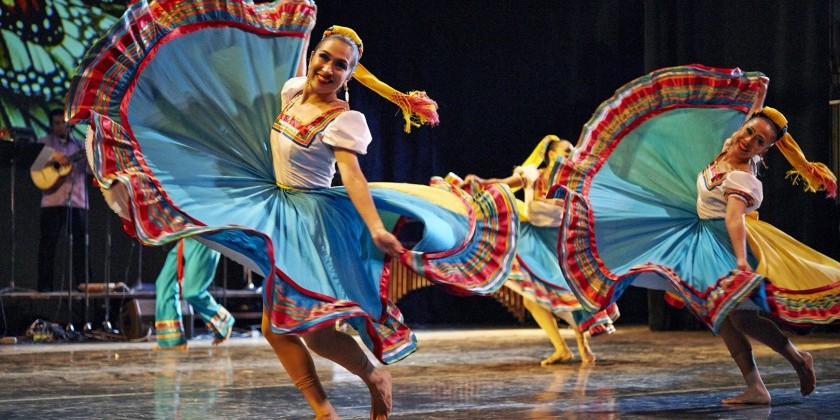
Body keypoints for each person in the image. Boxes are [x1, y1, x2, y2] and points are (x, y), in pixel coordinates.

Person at [66, 2, 518, 418]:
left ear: (349, 76)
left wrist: (376, 227)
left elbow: (353, 178)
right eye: (324, 57)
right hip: (274, 206)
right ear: (314, 56)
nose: (328, 68)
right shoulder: (293, 90)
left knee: (301, 328)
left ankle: (368, 379)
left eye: (340, 65)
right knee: (278, 326)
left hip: (310, 225)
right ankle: (328, 407)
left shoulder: (346, 120)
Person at [550, 64, 838, 405]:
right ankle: (756, 386)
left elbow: (734, 220)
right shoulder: (725, 151)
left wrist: (742, 262)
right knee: (722, 319)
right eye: (749, 132)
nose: (749, 141)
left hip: (727, 246)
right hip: (703, 239)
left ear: (764, 150)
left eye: (759, 141)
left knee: (742, 318)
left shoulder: (743, 177)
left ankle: (796, 358)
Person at [461, 135, 618, 365]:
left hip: (559, 241)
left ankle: (580, 347)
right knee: (535, 300)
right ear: (552, 155)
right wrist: (481, 182)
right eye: (566, 151)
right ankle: (563, 349)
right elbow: (503, 182)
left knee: (573, 292)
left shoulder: (572, 178)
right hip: (535, 241)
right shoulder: (533, 174)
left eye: (572, 151)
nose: (571, 154)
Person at [36, 109, 89, 292]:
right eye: (57, 123)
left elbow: (90, 172)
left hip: (77, 201)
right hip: (52, 201)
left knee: (81, 247)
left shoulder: (80, 145)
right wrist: (58, 165)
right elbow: (38, 172)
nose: (61, 126)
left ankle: (84, 286)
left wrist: (90, 156)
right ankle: (45, 287)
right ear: (52, 126)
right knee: (48, 246)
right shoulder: (45, 144)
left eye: (64, 123)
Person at [154, 238, 234, 350]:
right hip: (185, 236)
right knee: (164, 284)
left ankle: (222, 321)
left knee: (192, 291)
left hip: (203, 236)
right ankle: (171, 341)